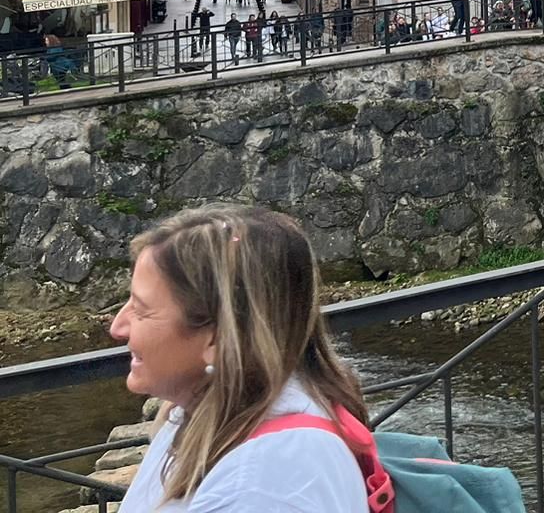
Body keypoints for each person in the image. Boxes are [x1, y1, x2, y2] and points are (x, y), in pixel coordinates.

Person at [110, 206, 371, 513]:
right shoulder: (203, 415)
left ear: (217, 337)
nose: (117, 326)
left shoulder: (264, 483)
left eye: (141, 310)